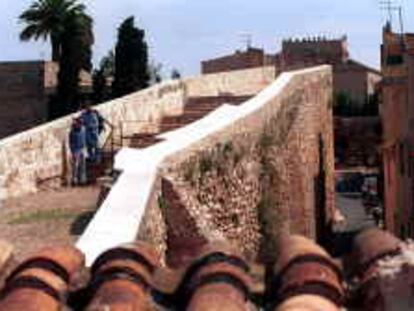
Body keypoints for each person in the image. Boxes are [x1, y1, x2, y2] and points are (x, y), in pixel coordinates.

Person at [69, 118, 87, 185]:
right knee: (75, 166)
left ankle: (82, 180)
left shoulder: (83, 129)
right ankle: (74, 180)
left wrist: (85, 147)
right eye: (79, 123)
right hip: (76, 149)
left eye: (81, 124)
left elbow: (84, 138)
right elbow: (71, 142)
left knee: (83, 165)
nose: (80, 125)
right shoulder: (72, 131)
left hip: (82, 148)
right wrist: (73, 150)